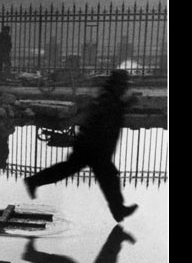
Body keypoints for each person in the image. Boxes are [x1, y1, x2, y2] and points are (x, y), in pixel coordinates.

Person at [24, 69, 138, 223]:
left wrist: (124, 104)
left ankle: (34, 181)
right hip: (93, 148)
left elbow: (108, 113)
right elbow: (105, 118)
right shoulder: (108, 99)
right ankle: (118, 209)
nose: (125, 87)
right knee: (107, 177)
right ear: (118, 85)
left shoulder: (110, 97)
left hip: (92, 147)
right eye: (124, 84)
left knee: (73, 170)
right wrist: (125, 105)